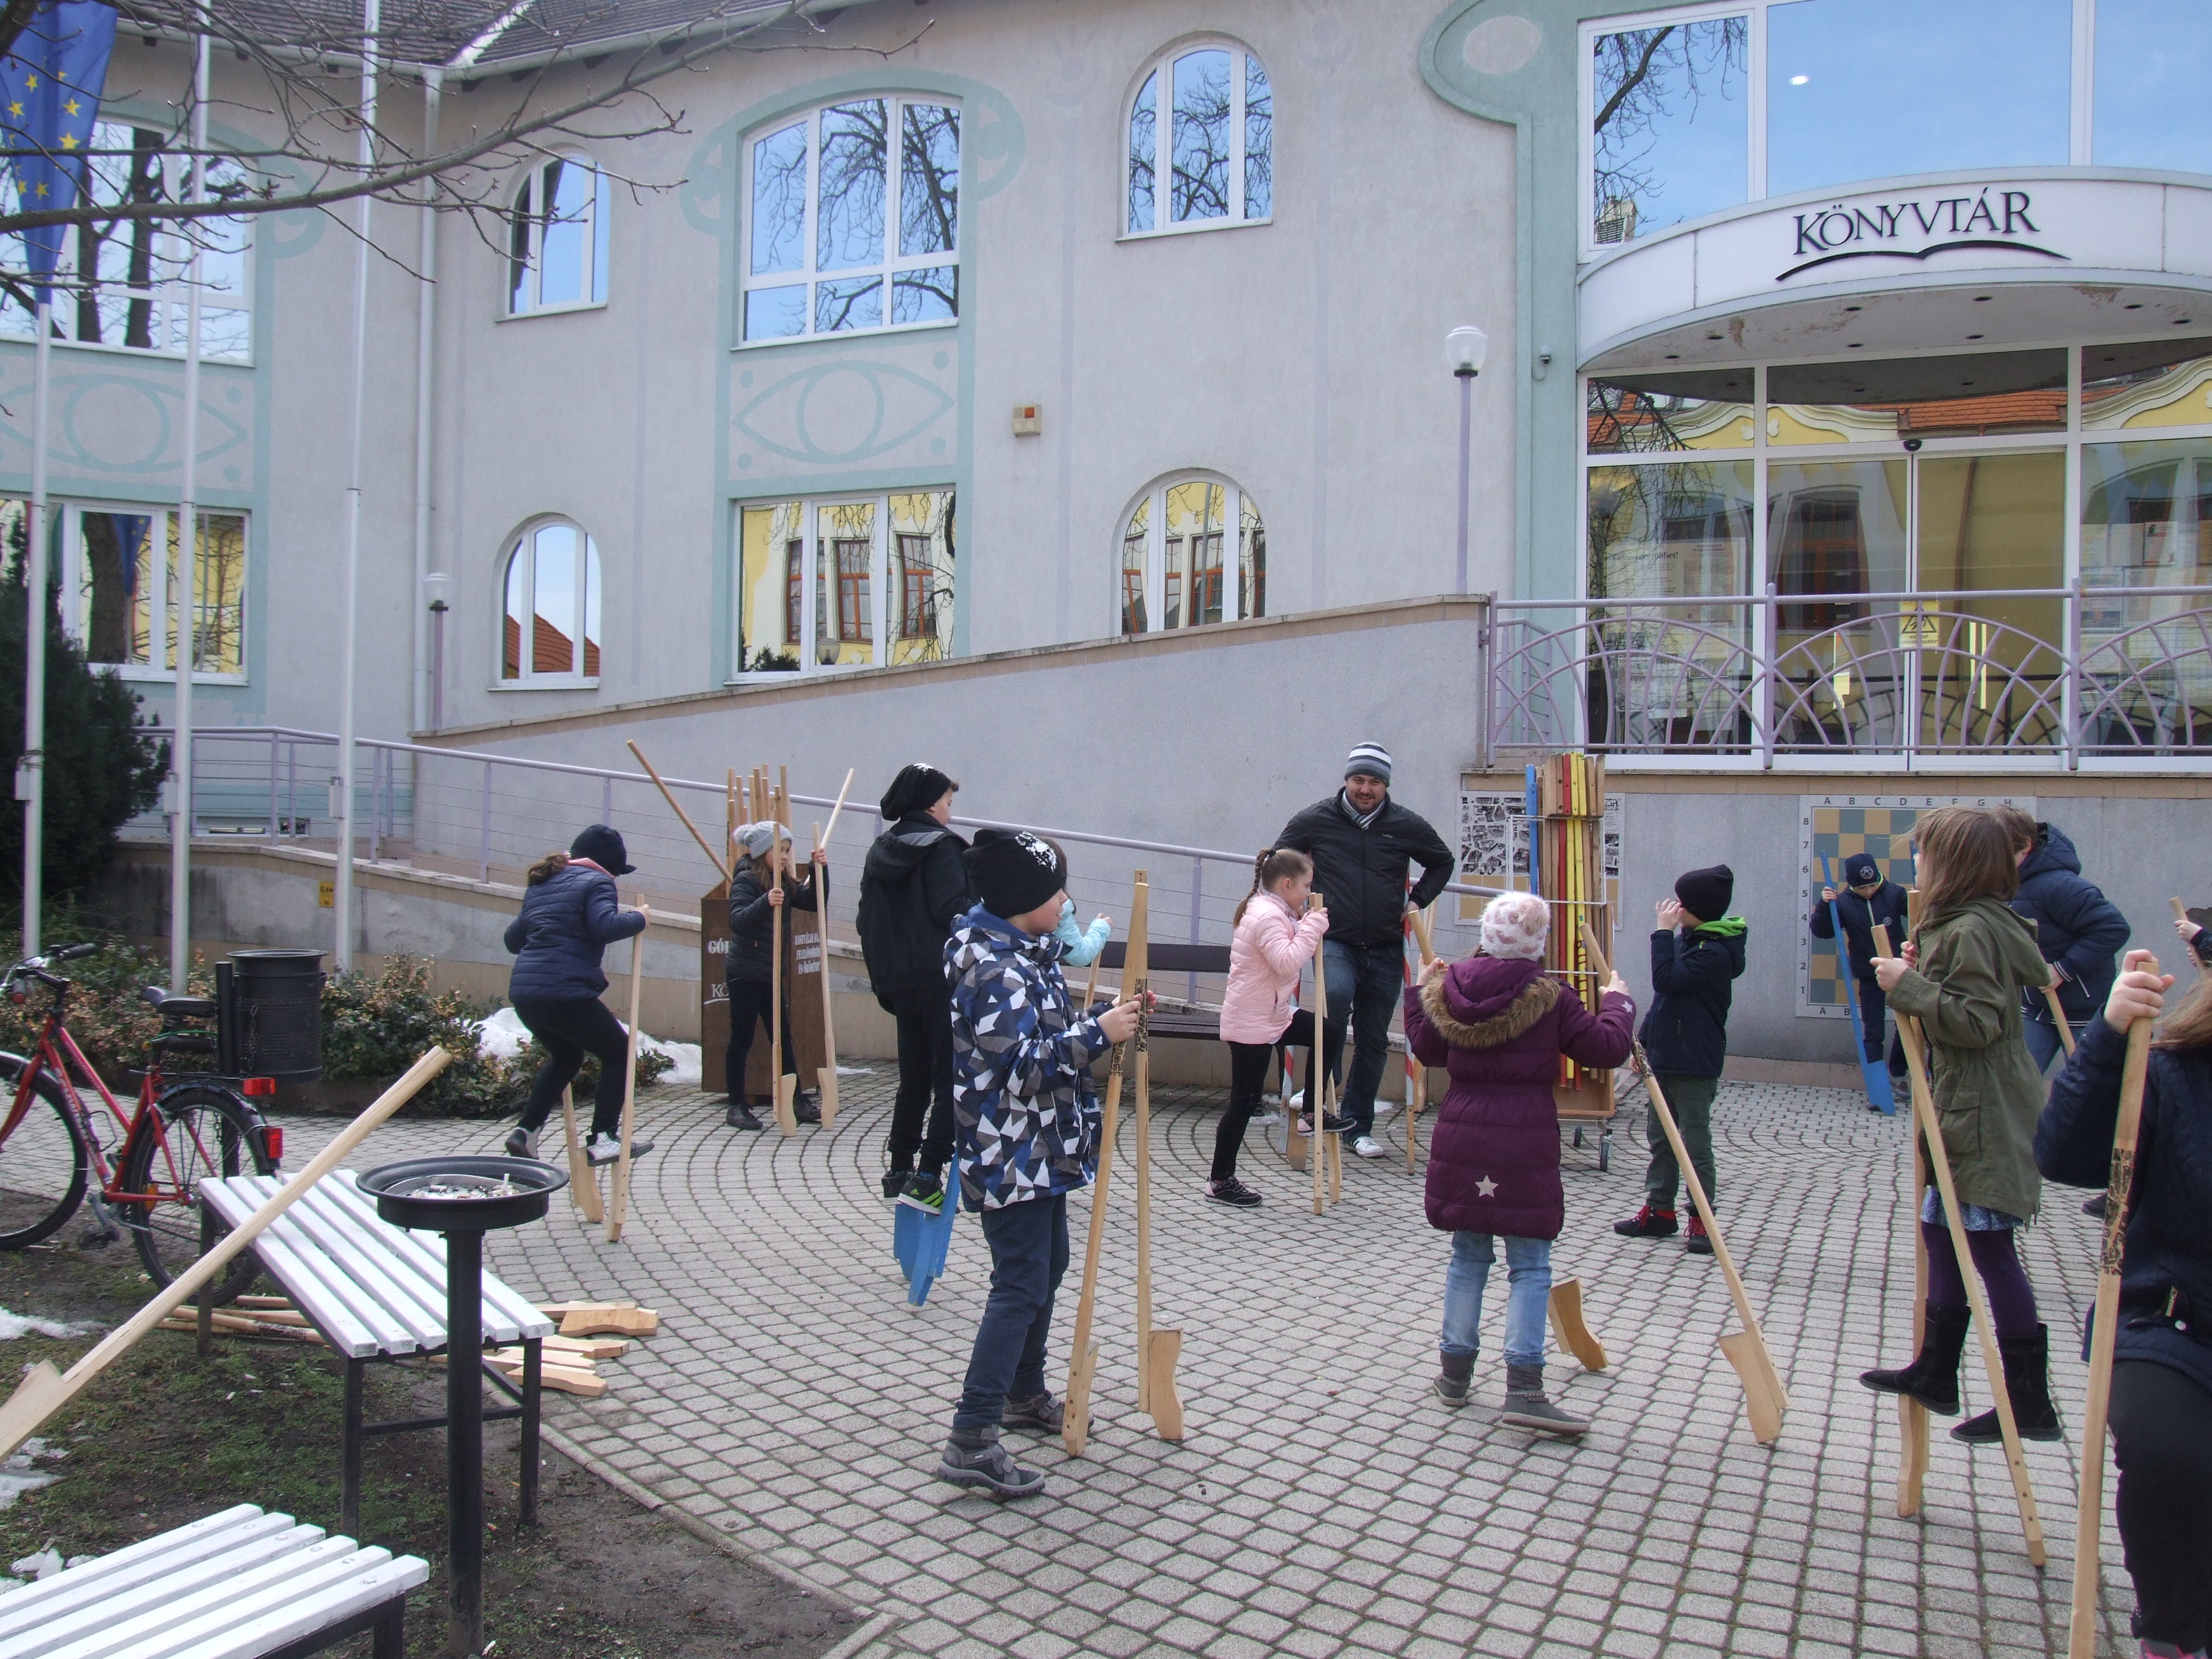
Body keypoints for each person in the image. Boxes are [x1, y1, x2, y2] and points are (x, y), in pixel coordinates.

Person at [933, 829, 1144, 1498]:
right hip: (1010, 1150)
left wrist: (1104, 1019)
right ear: (1023, 900)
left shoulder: (1024, 952)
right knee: (1021, 1281)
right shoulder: (994, 969)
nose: (1065, 902)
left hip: (1039, 1147)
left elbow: (1046, 1035)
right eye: (1057, 891)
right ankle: (971, 1436)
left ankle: (1022, 1393)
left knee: (1046, 1266)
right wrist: (1098, 1034)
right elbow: (1021, 1067)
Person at [1861, 806, 2062, 1446]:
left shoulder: (1971, 928)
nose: (1916, 863)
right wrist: (1922, 973)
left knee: (1989, 1245)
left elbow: (1976, 1023)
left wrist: (1907, 986)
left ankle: (2028, 1400)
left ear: (1954, 864)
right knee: (1939, 1227)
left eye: (1924, 853)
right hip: (1966, 1102)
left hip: (1984, 1107)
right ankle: (1936, 1368)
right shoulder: (1966, 922)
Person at [1405, 890, 1634, 1436]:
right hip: (1523, 1141)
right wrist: (1619, 1003)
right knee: (1530, 1265)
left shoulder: (1451, 986)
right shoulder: (1550, 996)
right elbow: (1607, 1049)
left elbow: (1429, 1051)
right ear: (1538, 943)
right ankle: (1525, 1389)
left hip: (1463, 1136)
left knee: (1468, 1256)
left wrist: (1419, 993)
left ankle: (1454, 1376)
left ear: (1486, 934)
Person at [2038, 947, 2212, 1659]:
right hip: (2172, 1318)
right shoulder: (2175, 1069)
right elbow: (2065, 1156)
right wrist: (2108, 1039)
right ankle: (2173, 1630)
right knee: (2171, 1451)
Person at [1273, 742, 1455, 1161]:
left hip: (1386, 945)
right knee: (1334, 1000)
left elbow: (1442, 861)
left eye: (1375, 781)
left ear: (1386, 785)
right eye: (1359, 779)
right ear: (1347, 780)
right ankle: (1324, 1084)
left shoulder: (1405, 824)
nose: (1366, 789)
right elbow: (1279, 860)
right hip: (1334, 938)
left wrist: (1416, 901)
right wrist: (1294, 904)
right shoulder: (1316, 819)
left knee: (1374, 1037)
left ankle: (1357, 1126)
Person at [501, 824, 651, 1166]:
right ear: (607, 865)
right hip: (565, 991)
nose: (616, 877)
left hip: (526, 994)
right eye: (616, 871)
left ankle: (526, 1132)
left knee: (567, 1057)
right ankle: (603, 1139)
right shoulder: (598, 882)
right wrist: (639, 918)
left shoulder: (543, 884)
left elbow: (512, 941)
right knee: (619, 1052)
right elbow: (604, 926)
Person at [1614, 865, 1746, 1256]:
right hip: (1666, 1056)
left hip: (1694, 1061)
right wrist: (1643, 1043)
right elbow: (1664, 1000)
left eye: (1682, 902)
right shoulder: (1690, 941)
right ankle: (1660, 1210)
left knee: (1694, 1143)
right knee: (1661, 1139)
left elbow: (1665, 979)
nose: (1674, 907)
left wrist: (1661, 933)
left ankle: (1702, 1216)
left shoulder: (1716, 952)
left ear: (1697, 909)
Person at [857, 764, 970, 1206]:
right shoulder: (942, 848)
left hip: (899, 981)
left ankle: (899, 1165)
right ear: (930, 803)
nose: (950, 811)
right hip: (940, 978)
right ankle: (928, 1175)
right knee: (950, 1077)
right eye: (947, 802)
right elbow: (952, 909)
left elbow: (866, 918)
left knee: (914, 1076)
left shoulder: (881, 850)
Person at [1212, 848, 1329, 1207]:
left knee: (1327, 1033)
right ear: (1287, 884)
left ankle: (1310, 1111)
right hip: (1252, 1021)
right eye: (1306, 886)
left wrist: (1304, 924)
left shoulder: (1277, 912)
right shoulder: (1266, 915)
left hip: (1273, 1014)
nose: (1309, 893)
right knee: (1244, 1101)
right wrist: (1313, 926)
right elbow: (1286, 961)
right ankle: (1220, 1180)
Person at [1993, 804, 2130, 1074]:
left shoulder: (2062, 886)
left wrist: (2062, 969)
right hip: (2035, 1007)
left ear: (2025, 846)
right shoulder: (2008, 887)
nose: (1993, 860)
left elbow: (2113, 928)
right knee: (2016, 1082)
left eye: (1999, 851)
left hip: (2082, 1010)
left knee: (2088, 1086)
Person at [724, 820, 825, 1133]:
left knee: (781, 1037)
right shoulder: (746, 879)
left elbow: (815, 902)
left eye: (787, 850)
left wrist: (819, 870)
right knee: (742, 1037)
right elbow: (737, 921)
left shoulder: (784, 881)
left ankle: (796, 1098)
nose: (784, 856)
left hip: (770, 972)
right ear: (762, 851)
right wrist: (765, 903)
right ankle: (737, 1105)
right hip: (745, 972)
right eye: (779, 850)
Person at [1809, 851, 1910, 1092]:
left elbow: (1920, 915)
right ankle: (1877, 1084)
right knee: (1873, 1031)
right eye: (1863, 888)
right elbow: (1821, 931)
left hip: (1900, 969)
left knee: (1907, 1023)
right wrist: (1824, 906)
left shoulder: (1895, 893)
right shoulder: (1844, 902)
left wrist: (1920, 896)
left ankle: (1898, 1074)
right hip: (1869, 972)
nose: (1869, 891)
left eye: (1872, 885)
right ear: (1852, 885)